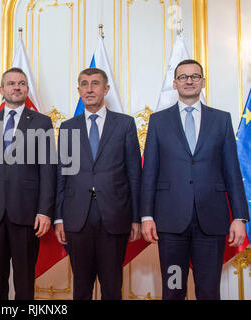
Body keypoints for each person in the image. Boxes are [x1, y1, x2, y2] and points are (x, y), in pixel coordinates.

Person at [140, 59, 250, 300]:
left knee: (209, 291)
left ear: (203, 82)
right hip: (170, 224)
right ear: (175, 83)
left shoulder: (221, 119)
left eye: (194, 76)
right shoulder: (158, 121)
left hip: (211, 223)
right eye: (183, 77)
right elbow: (150, 171)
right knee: (173, 289)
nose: (189, 81)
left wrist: (240, 217)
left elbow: (232, 170)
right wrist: (146, 216)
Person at [0, 67, 56, 300]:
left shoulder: (42, 122)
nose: (16, 87)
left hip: (27, 212)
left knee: (24, 278)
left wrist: (45, 211)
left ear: (27, 89)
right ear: (1, 89)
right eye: (11, 83)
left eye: (21, 83)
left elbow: (48, 170)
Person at [54, 68, 142, 300]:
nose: (89, 89)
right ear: (79, 90)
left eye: (95, 84)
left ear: (106, 89)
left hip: (115, 216)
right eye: (84, 84)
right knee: (81, 286)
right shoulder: (68, 127)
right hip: (76, 217)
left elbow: (134, 173)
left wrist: (136, 217)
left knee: (112, 286)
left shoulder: (124, 124)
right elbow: (62, 173)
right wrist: (59, 217)